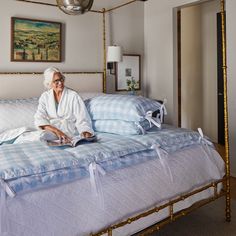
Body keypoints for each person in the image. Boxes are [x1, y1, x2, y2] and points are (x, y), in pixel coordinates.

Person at [34, 67, 94, 143]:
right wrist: (57, 131)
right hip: (52, 131)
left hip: (70, 131)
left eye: (61, 79)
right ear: (49, 83)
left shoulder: (73, 95)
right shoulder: (45, 96)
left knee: (41, 137)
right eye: (56, 81)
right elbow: (39, 118)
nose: (60, 83)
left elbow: (82, 118)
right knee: (39, 136)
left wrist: (85, 132)